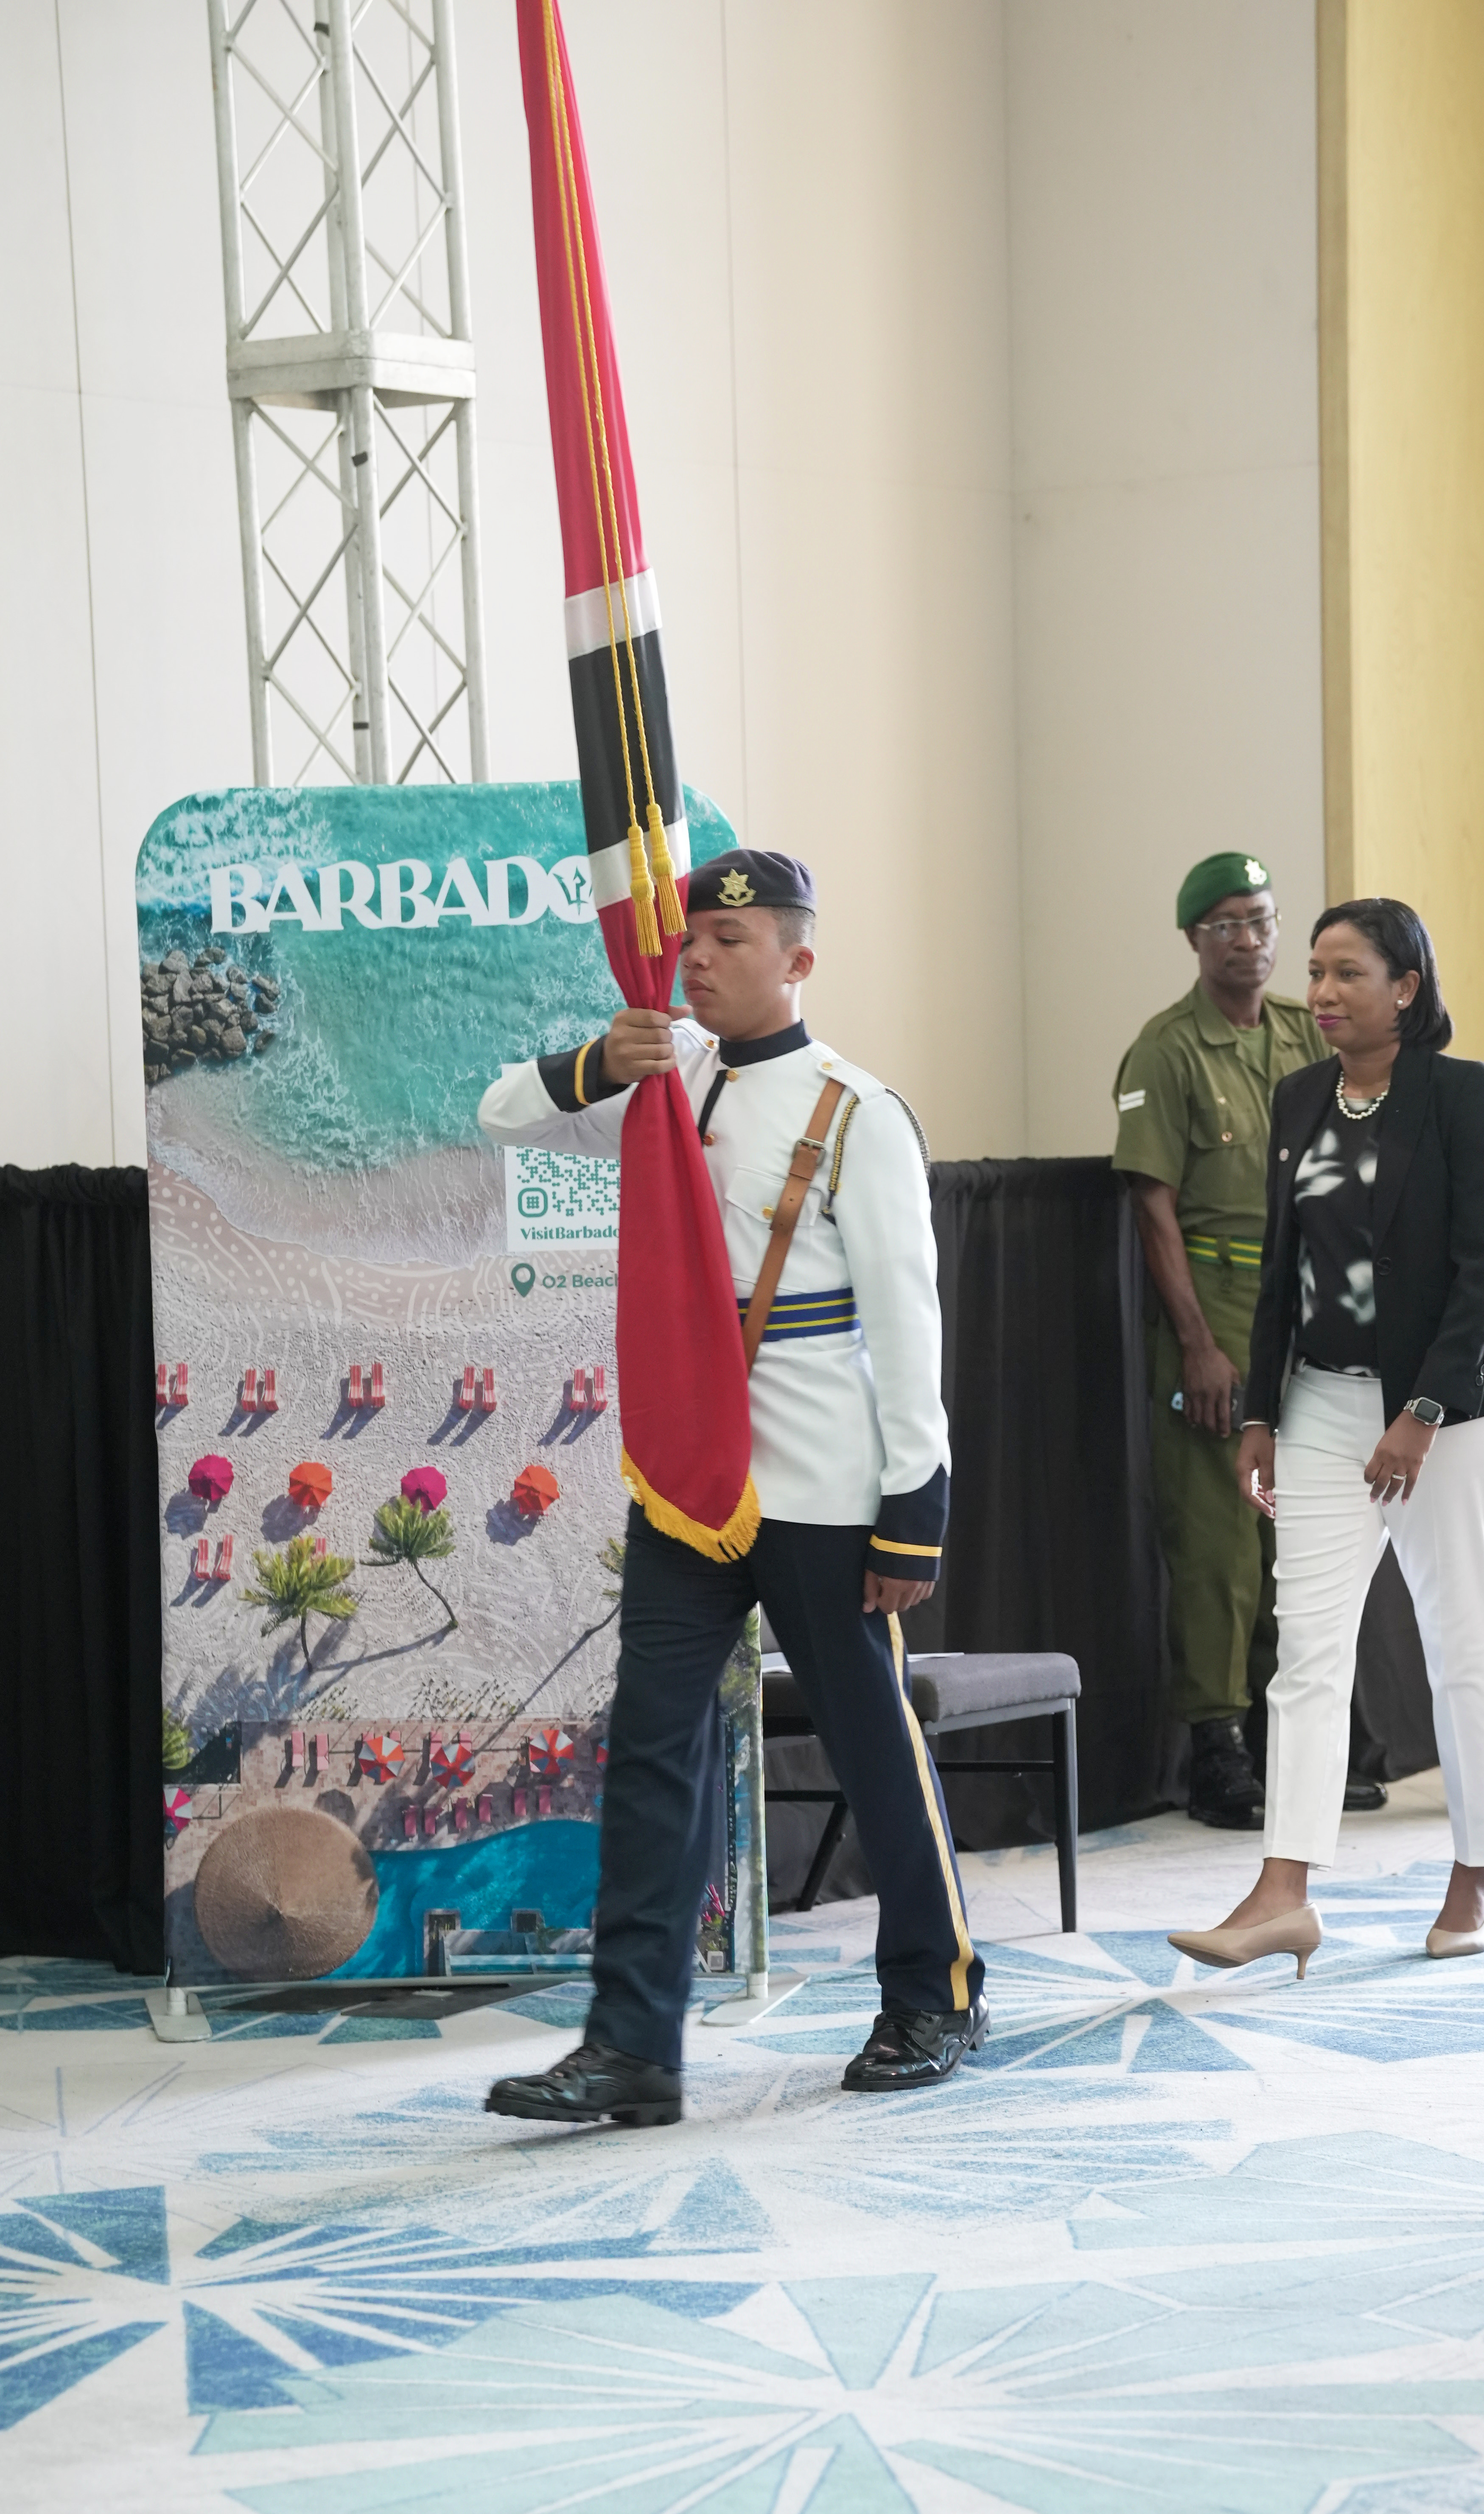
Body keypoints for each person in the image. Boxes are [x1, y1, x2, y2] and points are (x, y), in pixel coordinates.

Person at [476, 848, 986, 2125]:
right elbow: (498, 1113)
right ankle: (631, 2046)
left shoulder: (858, 1112)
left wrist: (914, 1508)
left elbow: (907, 1326)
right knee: (653, 1756)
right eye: (691, 938)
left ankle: (934, 1995)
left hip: (823, 1487)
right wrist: (600, 1062)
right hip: (687, 1492)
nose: (699, 957)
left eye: (732, 940)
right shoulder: (665, 1082)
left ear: (799, 960)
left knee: (873, 1748)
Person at [1167, 898, 1484, 1978]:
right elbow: (1280, 1271)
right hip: (1319, 1401)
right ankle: (1283, 1892)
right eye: (1316, 972)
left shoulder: (1461, 1094)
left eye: (1347, 974)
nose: (1320, 992)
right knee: (1306, 1650)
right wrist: (1260, 1415)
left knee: (1459, 1642)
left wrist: (1423, 1412)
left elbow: (1483, 1266)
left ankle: (1476, 1868)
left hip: (1448, 1410)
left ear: (1404, 988)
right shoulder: (1299, 1099)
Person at [1112, 853, 1364, 1830]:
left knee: (1304, 1529)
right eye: (1224, 924)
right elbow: (1152, 1207)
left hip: (1312, 1300)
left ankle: (1289, 1738)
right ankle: (1216, 1744)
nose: (1247, 940)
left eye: (1260, 920)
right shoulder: (1165, 1050)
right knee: (1220, 1536)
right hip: (1215, 1303)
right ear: (1193, 938)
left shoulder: (1306, 1032)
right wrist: (1196, 1345)